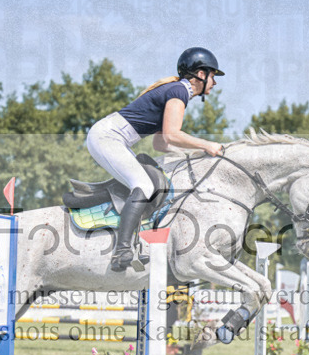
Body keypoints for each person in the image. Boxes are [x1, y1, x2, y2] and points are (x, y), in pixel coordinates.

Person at [86, 47, 226, 272]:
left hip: (111, 138)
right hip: (106, 137)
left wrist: (193, 155)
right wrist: (206, 145)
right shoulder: (179, 91)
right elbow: (172, 135)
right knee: (144, 185)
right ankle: (122, 250)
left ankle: (134, 239)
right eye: (213, 76)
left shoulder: (177, 91)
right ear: (201, 74)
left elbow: (160, 144)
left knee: (151, 181)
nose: (215, 82)